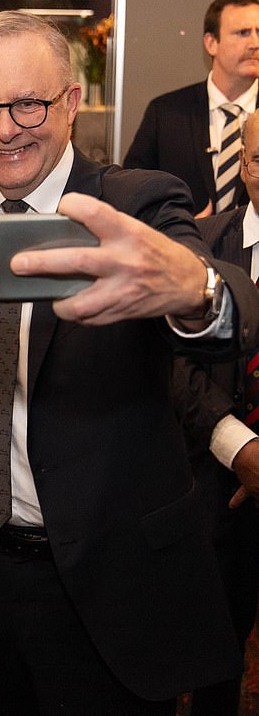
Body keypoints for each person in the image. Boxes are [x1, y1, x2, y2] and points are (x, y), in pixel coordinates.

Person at [0, 10, 259, 716]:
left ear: (71, 102)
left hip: (105, 582)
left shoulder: (133, 202)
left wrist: (195, 292)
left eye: (29, 103)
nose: (5, 127)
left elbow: (226, 305)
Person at [172, 109, 259, 716]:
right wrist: (242, 449)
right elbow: (172, 362)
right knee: (215, 666)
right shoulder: (202, 248)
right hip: (218, 482)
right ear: (245, 165)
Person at [124, 0, 259, 216]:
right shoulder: (165, 114)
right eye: (243, 33)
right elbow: (130, 193)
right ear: (211, 43)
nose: (255, 43)